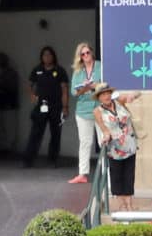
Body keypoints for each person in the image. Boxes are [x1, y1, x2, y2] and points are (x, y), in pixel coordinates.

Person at [92, 82, 141, 211]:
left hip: (129, 144)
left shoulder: (118, 101)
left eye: (108, 93)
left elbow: (138, 93)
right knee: (117, 177)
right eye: (103, 95)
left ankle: (129, 205)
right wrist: (106, 135)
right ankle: (123, 205)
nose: (106, 96)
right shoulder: (97, 111)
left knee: (129, 175)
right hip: (115, 148)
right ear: (99, 98)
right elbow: (103, 128)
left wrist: (132, 96)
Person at [22, 45, 69, 169]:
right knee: (35, 133)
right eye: (44, 55)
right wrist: (32, 95)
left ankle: (52, 160)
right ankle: (28, 160)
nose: (47, 57)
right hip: (41, 106)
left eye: (49, 55)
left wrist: (65, 107)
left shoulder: (60, 71)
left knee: (55, 134)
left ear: (53, 56)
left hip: (56, 106)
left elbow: (64, 89)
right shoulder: (37, 70)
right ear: (41, 57)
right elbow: (29, 84)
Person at [69, 43, 102, 183]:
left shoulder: (100, 66)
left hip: (100, 108)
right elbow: (73, 92)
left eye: (87, 52)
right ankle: (82, 173)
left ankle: (107, 172)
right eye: (82, 54)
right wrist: (84, 88)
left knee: (104, 141)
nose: (86, 56)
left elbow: (107, 84)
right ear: (80, 57)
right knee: (85, 142)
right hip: (83, 110)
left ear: (92, 52)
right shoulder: (78, 71)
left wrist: (95, 86)